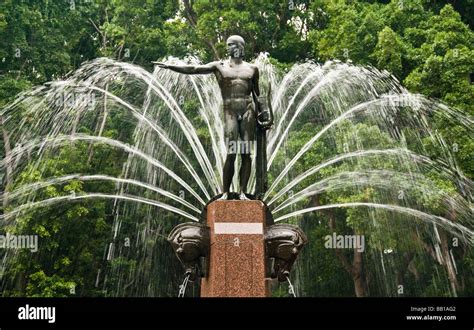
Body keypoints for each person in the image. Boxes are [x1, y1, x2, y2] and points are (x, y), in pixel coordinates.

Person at [155, 35, 272, 200]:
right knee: (232, 152)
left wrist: (264, 114)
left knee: (246, 153)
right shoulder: (220, 66)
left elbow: (257, 94)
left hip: (248, 112)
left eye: (231, 45)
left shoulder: (252, 69)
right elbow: (194, 69)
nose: (228, 48)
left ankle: (243, 192)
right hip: (230, 111)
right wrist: (170, 66)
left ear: (240, 47)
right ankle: (225, 192)